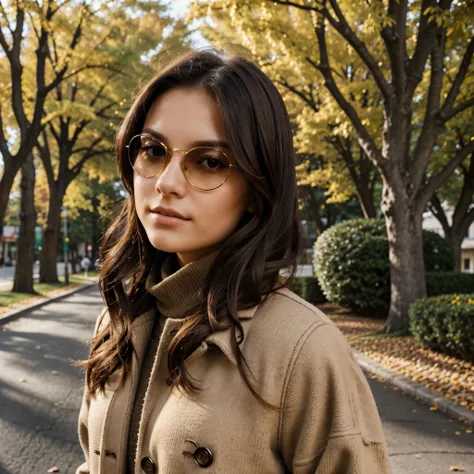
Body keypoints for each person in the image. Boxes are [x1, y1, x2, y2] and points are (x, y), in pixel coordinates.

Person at [75, 48, 391, 474]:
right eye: (153, 150)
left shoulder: (304, 350)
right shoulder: (117, 322)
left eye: (208, 162)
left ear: (258, 189)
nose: (166, 183)